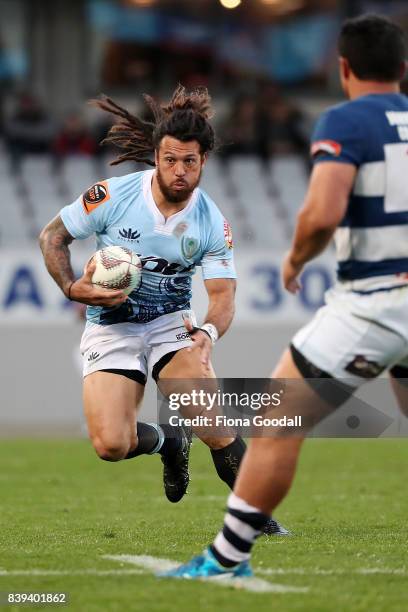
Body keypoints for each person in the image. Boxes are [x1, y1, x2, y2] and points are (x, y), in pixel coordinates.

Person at [162, 14, 408, 579]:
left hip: (376, 301)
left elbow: (322, 212)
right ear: (402, 69)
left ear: (343, 68)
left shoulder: (347, 120)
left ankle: (225, 559)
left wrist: (296, 260)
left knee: (276, 421)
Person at [39, 85, 287, 535]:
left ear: (203, 162)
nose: (178, 171)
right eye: (170, 160)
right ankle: (168, 440)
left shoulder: (212, 222)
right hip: (111, 327)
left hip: (170, 325)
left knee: (213, 425)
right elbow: (53, 236)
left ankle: (259, 519)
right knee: (111, 445)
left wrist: (208, 333)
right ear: (156, 156)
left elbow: (224, 297)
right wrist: (73, 288)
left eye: (189, 162)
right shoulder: (113, 196)